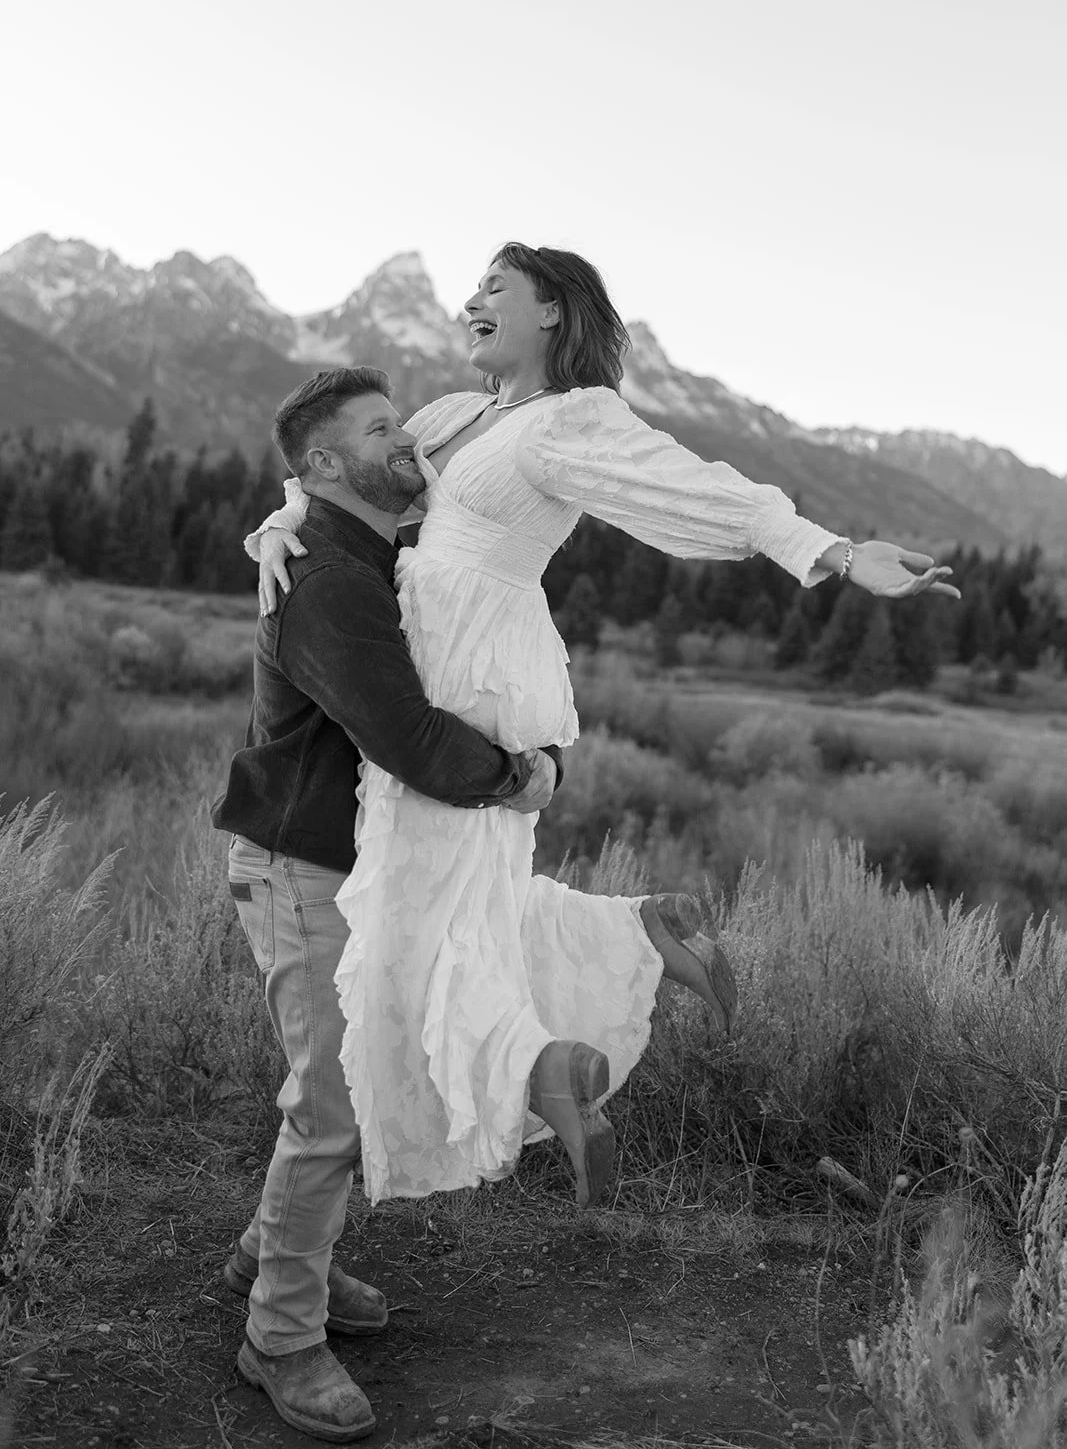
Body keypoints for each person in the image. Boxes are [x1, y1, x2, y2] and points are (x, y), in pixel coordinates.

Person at [253, 243, 959, 1222]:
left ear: (550, 312)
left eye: (493, 289)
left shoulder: (565, 421)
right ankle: (628, 938)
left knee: (416, 918)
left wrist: (830, 551)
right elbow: (341, 483)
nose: (470, 302)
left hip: (470, 676)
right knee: (455, 905)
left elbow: (690, 488)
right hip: (436, 657)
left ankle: (536, 1071)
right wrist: (281, 527)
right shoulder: (454, 418)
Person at [211, 364, 565, 1442]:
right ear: (323, 465)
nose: (406, 443)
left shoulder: (358, 551)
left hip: (340, 864)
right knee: (331, 1104)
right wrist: (520, 775)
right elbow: (405, 738)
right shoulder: (328, 580)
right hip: (299, 864)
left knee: (346, 1087)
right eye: (381, 431)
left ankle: (268, 1255)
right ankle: (278, 1335)